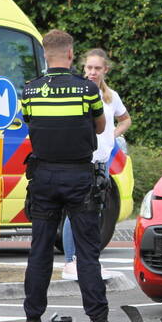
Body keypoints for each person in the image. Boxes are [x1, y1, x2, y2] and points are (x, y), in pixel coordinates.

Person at [19, 29, 120, 322]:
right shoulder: (86, 89)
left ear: (45, 55)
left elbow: (29, 123)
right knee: (87, 251)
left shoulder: (30, 91)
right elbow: (101, 126)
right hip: (79, 176)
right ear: (71, 54)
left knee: (40, 251)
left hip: (44, 176)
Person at [60, 48, 131, 281]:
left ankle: (88, 260)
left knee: (95, 215)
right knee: (75, 213)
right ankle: (70, 261)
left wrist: (112, 134)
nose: (92, 72)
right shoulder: (79, 92)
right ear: (83, 68)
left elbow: (126, 119)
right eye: (89, 67)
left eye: (97, 68)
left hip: (102, 163)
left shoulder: (111, 96)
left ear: (105, 70)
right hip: (82, 162)